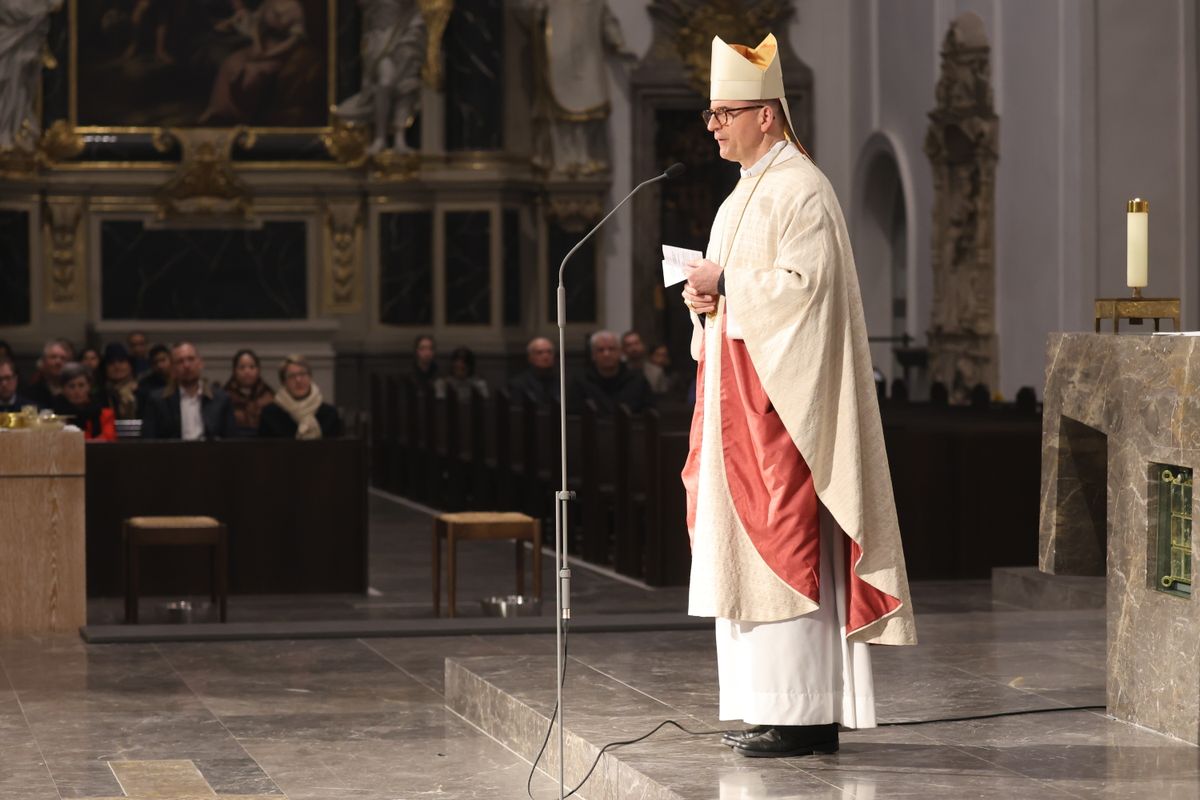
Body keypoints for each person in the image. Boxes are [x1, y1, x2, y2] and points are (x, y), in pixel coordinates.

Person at [679, 33, 915, 759]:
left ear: (767, 115)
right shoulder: (739, 196)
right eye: (711, 114)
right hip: (737, 411)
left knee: (787, 545)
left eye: (725, 113)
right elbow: (736, 299)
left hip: (781, 416)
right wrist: (705, 301)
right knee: (744, 558)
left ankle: (807, 715)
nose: (713, 126)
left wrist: (729, 285)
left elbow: (808, 295)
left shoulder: (803, 189)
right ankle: (769, 707)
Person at [142, 342, 236, 440]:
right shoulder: (158, 401)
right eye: (180, 361)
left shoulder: (221, 399)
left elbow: (231, 441)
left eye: (191, 359)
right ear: (173, 368)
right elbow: (149, 441)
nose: (186, 365)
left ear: (201, 363)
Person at [566, 330, 653, 416]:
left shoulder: (637, 381)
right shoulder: (581, 382)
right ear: (593, 355)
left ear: (620, 352)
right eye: (600, 350)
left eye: (611, 349)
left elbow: (650, 413)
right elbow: (572, 416)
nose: (606, 354)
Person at [259, 354, 342, 439]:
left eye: (302, 374)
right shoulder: (270, 414)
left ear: (310, 377)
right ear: (284, 382)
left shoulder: (329, 414)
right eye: (291, 376)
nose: (298, 380)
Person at [51, 362, 116, 441]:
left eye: (81, 385)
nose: (77, 391)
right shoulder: (54, 417)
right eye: (71, 386)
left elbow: (108, 439)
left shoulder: (105, 415)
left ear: (89, 387)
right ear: (63, 389)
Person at [224, 349, 275, 437]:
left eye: (252, 367)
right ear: (234, 371)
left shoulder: (269, 397)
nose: (247, 371)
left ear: (258, 370)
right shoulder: (225, 397)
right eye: (242, 367)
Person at [508, 336, 560, 405]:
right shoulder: (518, 384)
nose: (546, 356)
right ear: (530, 357)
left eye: (549, 352)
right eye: (539, 352)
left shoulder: (561, 382)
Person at [27, 338, 73, 409]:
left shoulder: (76, 389)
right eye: (53, 357)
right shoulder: (32, 390)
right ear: (44, 361)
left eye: (63, 358)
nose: (58, 362)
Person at [100, 343, 140, 420]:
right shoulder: (101, 396)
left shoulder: (142, 392)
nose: (117, 366)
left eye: (121, 361)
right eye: (111, 363)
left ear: (130, 366)